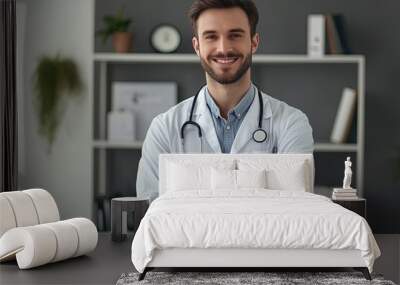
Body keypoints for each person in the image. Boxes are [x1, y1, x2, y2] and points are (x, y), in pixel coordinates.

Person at [136, 0, 314, 202]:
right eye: (211, 36)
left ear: (254, 43)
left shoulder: (291, 123)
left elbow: (297, 209)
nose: (224, 48)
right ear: (197, 46)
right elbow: (150, 211)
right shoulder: (164, 128)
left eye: (235, 35)